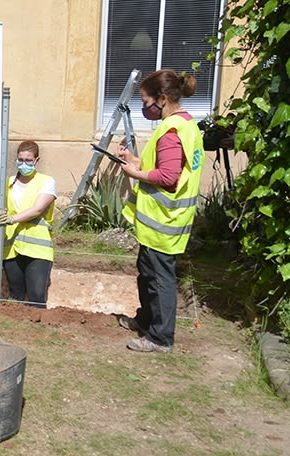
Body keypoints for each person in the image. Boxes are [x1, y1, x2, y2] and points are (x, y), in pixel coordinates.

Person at [115, 69, 204, 353]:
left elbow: (167, 177)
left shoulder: (170, 130)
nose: (145, 108)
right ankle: (146, 320)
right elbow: (164, 164)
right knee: (147, 273)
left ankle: (160, 337)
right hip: (164, 221)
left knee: (159, 279)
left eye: (146, 101)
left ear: (162, 98)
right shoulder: (187, 125)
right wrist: (134, 160)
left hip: (163, 222)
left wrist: (133, 173)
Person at [0, 140, 57, 307]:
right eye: (20, 159)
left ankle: (38, 329)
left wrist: (12, 219)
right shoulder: (7, 182)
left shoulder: (46, 182)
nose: (24, 164)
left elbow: (37, 210)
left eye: (28, 160)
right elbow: (2, 206)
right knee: (16, 296)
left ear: (37, 160)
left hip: (37, 249)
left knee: (37, 296)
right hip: (12, 247)